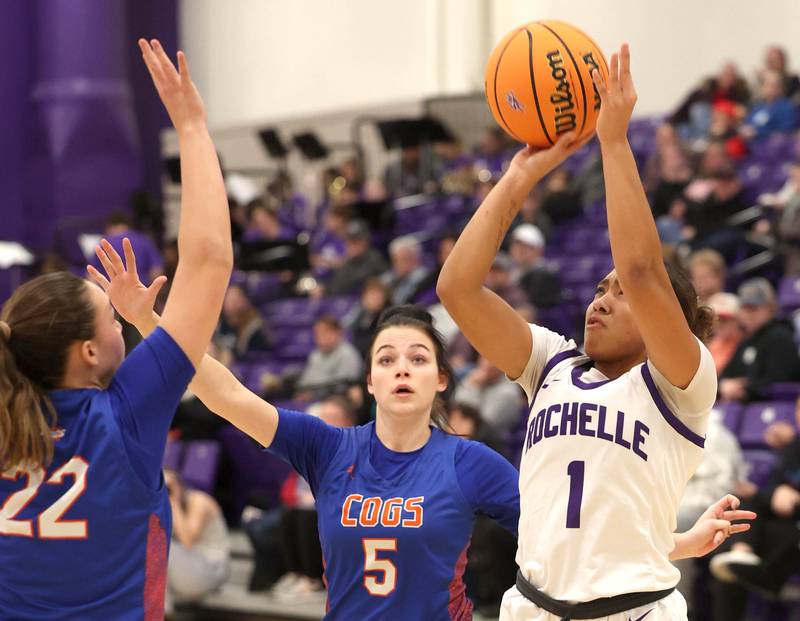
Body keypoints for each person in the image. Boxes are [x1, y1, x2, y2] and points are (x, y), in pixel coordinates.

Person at [95, 240, 754, 620]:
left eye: (418, 357)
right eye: (387, 358)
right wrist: (147, 324)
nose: (401, 368)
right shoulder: (327, 448)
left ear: (443, 379)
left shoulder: (471, 464)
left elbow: (574, 534)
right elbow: (225, 391)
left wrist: (674, 543)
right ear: (369, 382)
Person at [438, 44, 750, 621]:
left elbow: (642, 268)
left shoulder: (684, 384)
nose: (601, 300)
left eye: (620, 295)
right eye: (600, 290)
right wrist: (518, 178)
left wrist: (613, 140)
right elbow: (458, 289)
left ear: (667, 320)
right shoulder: (551, 363)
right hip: (531, 608)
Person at [0, 40, 232, 620]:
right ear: (87, 350)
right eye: (111, 313)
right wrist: (193, 127)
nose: (121, 323)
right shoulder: (126, 416)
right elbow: (207, 263)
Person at [164, 470, 230, 610]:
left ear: (179, 485)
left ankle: (161, 613)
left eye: (168, 487)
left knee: (159, 549)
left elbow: (187, 541)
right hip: (187, 568)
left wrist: (173, 499)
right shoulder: (162, 506)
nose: (165, 491)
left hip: (211, 568)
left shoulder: (199, 501)